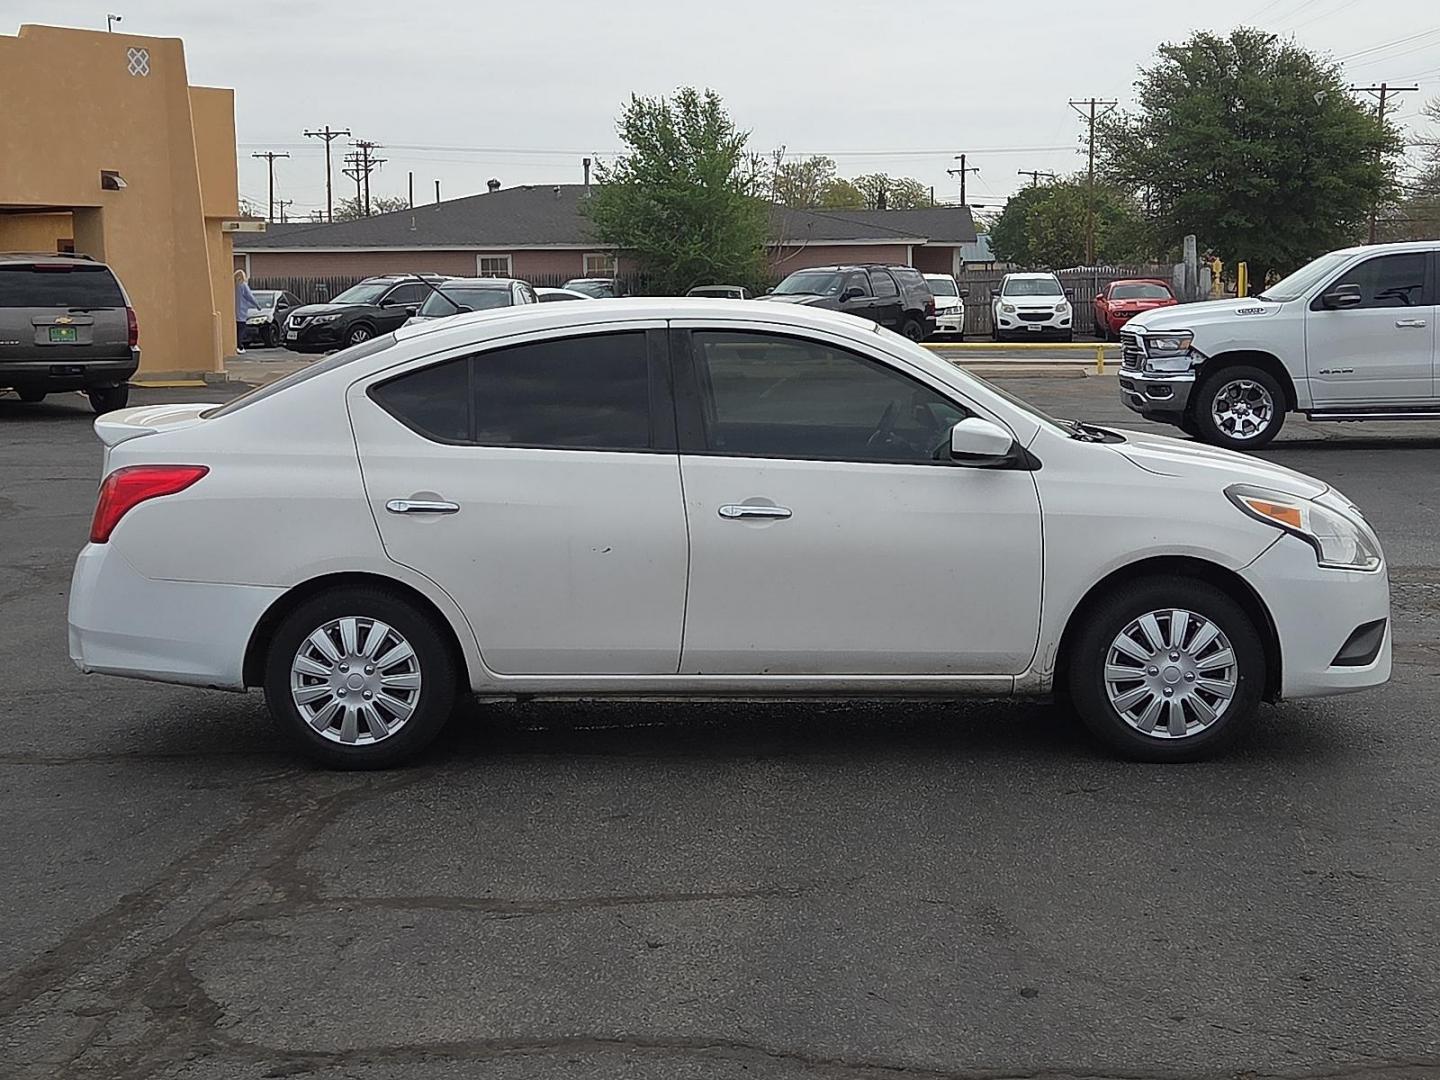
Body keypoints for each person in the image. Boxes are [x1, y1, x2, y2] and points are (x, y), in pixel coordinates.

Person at [234, 268, 260, 353]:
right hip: (241, 311)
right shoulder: (243, 285)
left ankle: (236, 344)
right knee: (241, 329)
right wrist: (257, 305)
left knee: (236, 329)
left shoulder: (233, 286)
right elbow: (250, 297)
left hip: (234, 311)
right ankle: (240, 346)